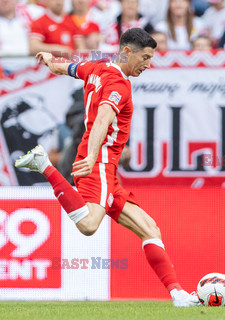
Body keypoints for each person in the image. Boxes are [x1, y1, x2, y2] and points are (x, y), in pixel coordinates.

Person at [15, 28, 200, 307]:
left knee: (150, 229)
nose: (148, 64)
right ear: (127, 52)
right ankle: (44, 165)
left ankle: (178, 295)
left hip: (107, 169)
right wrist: (91, 157)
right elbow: (103, 116)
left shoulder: (96, 67)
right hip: (100, 162)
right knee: (89, 225)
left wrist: (49, 59)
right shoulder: (119, 85)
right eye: (145, 57)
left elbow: (67, 67)